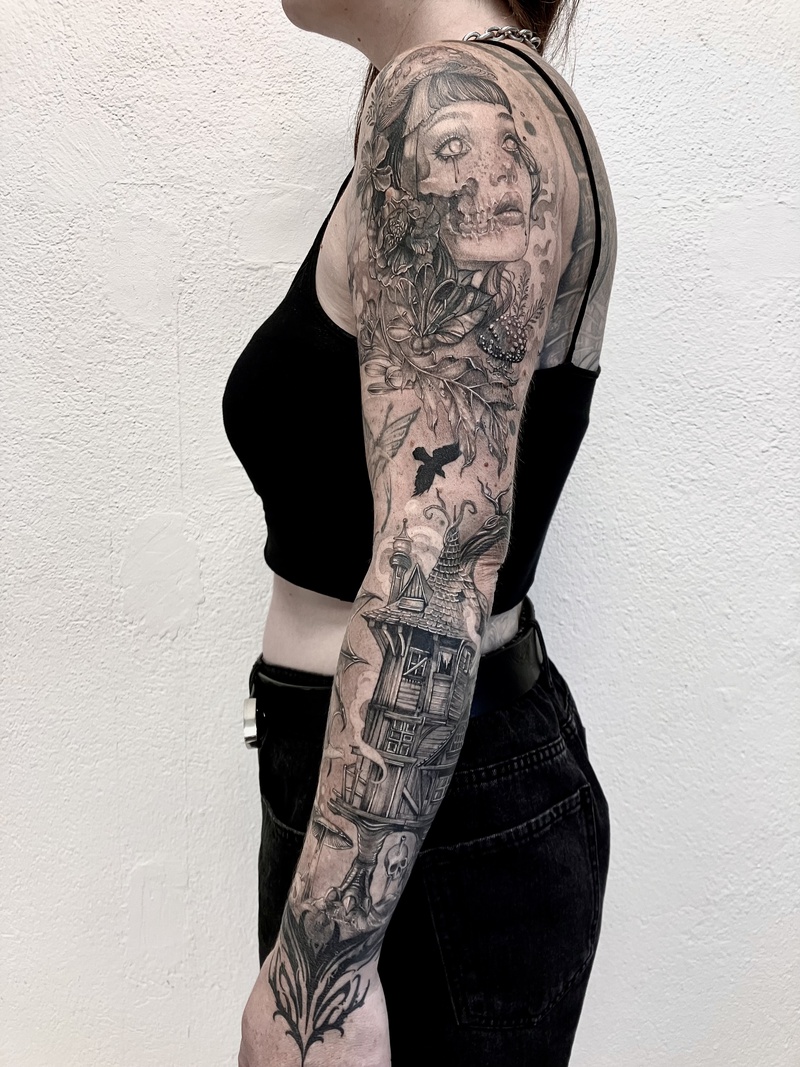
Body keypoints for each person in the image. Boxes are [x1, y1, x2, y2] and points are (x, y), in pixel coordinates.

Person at [222, 1, 617, 1064]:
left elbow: (437, 563)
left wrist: (323, 969)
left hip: (414, 840)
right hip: (432, 813)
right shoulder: (490, 97)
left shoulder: (457, 107)